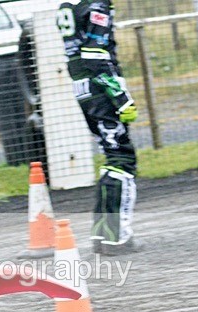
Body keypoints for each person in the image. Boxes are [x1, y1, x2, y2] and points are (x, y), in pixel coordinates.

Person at [57, 0, 141, 255]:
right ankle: (116, 236)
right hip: (100, 89)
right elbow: (96, 54)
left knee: (112, 158)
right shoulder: (96, 6)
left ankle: (102, 234)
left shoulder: (67, 5)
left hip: (82, 87)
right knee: (122, 159)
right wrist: (121, 97)